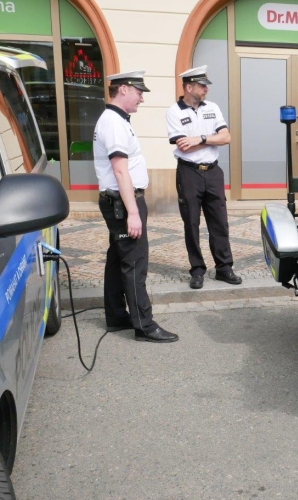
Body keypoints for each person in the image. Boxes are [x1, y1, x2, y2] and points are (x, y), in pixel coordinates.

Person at [94, 70, 178, 343]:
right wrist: (133, 212)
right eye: (139, 92)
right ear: (124, 89)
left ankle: (117, 315)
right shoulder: (114, 123)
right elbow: (120, 171)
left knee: (118, 259)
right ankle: (144, 325)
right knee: (134, 262)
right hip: (122, 203)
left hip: (118, 201)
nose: (142, 98)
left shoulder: (115, 119)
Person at [165, 65, 241, 290]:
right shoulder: (174, 111)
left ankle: (224, 268)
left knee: (219, 221)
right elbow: (183, 146)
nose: (206, 89)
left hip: (213, 172)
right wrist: (210, 138)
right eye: (201, 85)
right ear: (189, 87)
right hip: (189, 172)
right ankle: (197, 270)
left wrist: (199, 138)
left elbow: (226, 137)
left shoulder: (213, 107)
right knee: (191, 222)